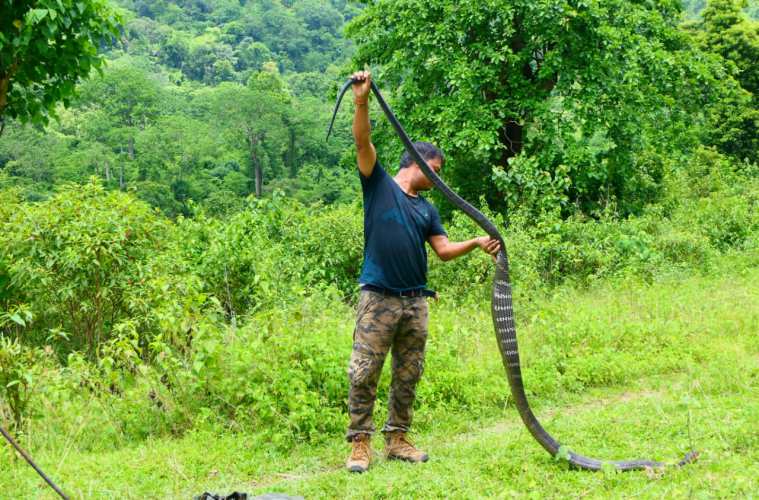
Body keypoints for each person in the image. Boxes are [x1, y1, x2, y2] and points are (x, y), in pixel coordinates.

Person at [345, 70, 501, 473]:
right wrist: (362, 99)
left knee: (409, 373)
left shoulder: (427, 209)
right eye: (436, 168)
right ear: (417, 163)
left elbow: (444, 250)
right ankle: (359, 445)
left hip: (415, 301)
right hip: (378, 297)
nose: (439, 177)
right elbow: (363, 141)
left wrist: (476, 243)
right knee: (364, 372)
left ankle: (397, 439)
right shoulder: (378, 184)